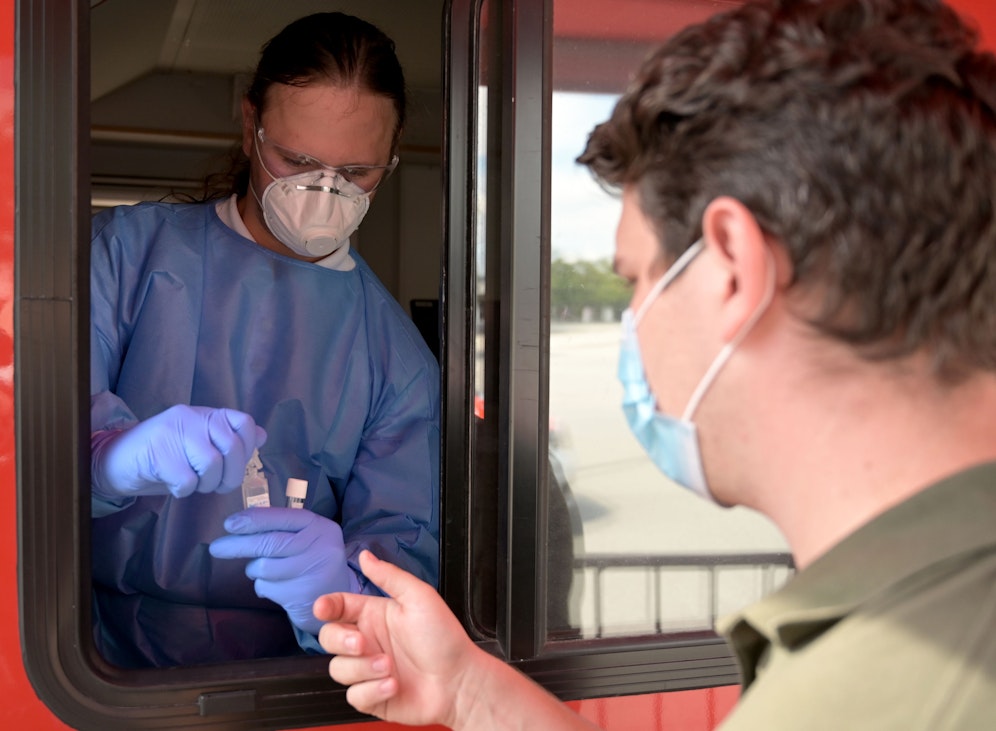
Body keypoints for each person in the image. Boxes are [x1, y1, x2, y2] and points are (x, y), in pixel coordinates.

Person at [312, 0, 996, 728]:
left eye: (638, 279)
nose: (633, 322)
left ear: (733, 269)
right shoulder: (933, 614)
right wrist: (473, 692)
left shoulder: (871, 690)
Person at [89, 12, 440, 668]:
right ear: (250, 126)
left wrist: (337, 592)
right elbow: (26, 452)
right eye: (297, 160)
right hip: (92, 663)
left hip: (287, 681)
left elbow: (402, 584)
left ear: (389, 165)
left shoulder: (398, 361)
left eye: (355, 172)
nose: (320, 193)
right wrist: (108, 458)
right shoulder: (128, 255)